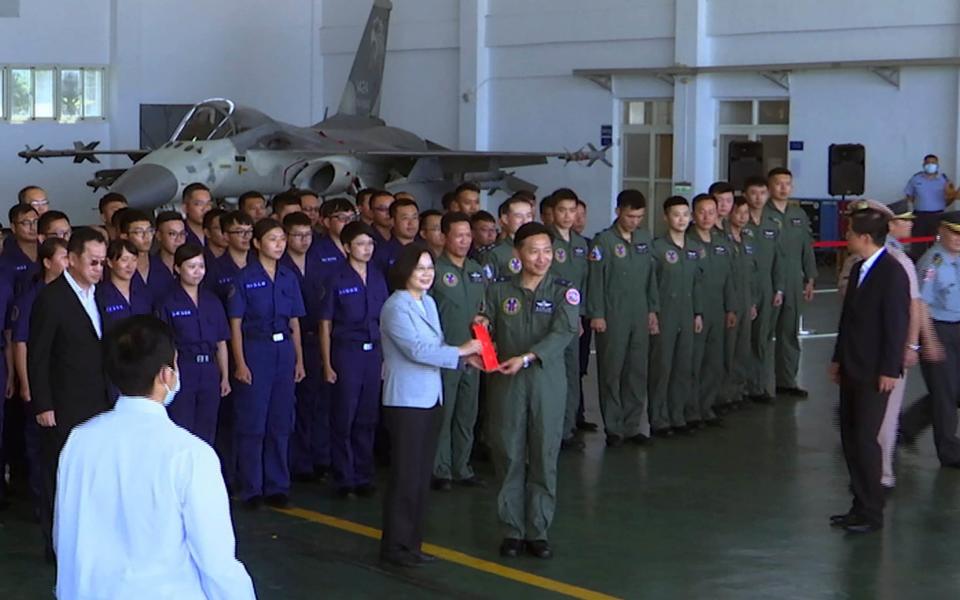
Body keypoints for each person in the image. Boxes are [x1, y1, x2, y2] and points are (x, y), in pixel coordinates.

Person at [54, 315, 255, 599]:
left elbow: (64, 534)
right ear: (165, 375)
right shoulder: (191, 455)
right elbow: (217, 564)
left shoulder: (79, 441)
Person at [379, 243, 483, 568]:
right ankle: (396, 547)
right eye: (419, 268)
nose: (426, 274)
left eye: (429, 268)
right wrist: (463, 350)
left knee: (420, 476)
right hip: (406, 401)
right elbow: (418, 351)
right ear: (405, 271)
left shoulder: (427, 302)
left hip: (429, 398)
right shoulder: (396, 307)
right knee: (406, 476)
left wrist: (465, 360)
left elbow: (436, 347)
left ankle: (412, 544)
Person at [481, 222, 578, 559]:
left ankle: (538, 530)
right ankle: (512, 529)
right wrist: (482, 349)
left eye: (547, 251)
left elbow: (563, 332)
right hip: (506, 383)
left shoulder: (563, 291)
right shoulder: (498, 291)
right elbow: (483, 326)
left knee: (543, 455)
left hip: (545, 383)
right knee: (508, 454)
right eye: (534, 250)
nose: (542, 258)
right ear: (518, 254)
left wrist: (526, 357)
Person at [27, 228, 109, 561]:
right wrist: (43, 404)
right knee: (58, 475)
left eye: (102, 263)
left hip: (98, 401)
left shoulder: (99, 294)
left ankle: (91, 539)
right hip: (63, 404)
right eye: (93, 262)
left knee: (94, 475)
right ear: (71, 259)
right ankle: (55, 544)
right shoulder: (52, 297)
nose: (99, 269)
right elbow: (38, 355)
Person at [828, 207, 909, 534]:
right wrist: (837, 359)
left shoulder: (893, 272)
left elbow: (896, 325)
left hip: (876, 371)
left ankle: (872, 512)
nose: (845, 237)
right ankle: (858, 505)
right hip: (851, 366)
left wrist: (891, 369)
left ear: (864, 237)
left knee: (865, 440)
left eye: (849, 232)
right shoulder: (860, 267)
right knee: (850, 437)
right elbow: (847, 321)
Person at [227, 219, 306, 509]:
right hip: (255, 348)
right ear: (258, 243)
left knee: (281, 421)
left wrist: (299, 359)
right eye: (272, 239)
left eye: (282, 239)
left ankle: (277, 485)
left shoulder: (288, 276)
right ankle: (251, 488)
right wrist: (240, 363)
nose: (279, 244)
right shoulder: (244, 278)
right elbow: (235, 324)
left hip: (283, 350)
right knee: (253, 423)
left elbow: (295, 321)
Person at [319, 221, 389, 498]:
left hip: (374, 352)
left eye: (370, 244)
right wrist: (327, 364)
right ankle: (344, 476)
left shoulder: (378, 275)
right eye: (360, 244)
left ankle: (363, 474)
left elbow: (385, 319)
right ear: (347, 247)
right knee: (344, 417)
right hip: (346, 352)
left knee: (367, 417)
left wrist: (385, 357)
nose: (367, 249)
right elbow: (325, 324)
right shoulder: (335, 278)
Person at [587, 190, 658, 446]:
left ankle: (632, 425)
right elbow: (595, 281)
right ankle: (614, 427)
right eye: (630, 216)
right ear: (618, 211)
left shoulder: (644, 238)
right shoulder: (603, 242)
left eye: (639, 217)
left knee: (637, 371)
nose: (634, 222)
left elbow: (651, 278)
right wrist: (597, 313)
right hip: (612, 314)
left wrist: (652, 310)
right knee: (612, 371)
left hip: (639, 313)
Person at [430, 213, 487, 489]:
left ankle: (461, 467)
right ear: (444, 237)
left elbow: (484, 307)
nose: (465, 241)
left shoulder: (477, 270)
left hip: (474, 355)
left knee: (467, 412)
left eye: (468, 235)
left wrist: (485, 320)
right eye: (458, 235)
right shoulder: (434, 271)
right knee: (444, 414)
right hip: (446, 354)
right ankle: (440, 470)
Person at [899, 211, 960, 468]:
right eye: (953, 232)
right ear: (941, 231)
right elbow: (920, 305)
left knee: (952, 391)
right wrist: (929, 340)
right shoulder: (932, 262)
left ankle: (905, 427)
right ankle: (949, 451)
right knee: (946, 394)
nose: (958, 238)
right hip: (938, 329)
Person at [156, 244, 231, 445]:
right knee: (182, 427)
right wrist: (173, 377)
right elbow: (166, 345)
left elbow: (221, 341)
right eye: (191, 266)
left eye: (201, 266)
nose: (197, 272)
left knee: (207, 428)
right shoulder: (168, 302)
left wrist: (224, 376)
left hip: (209, 369)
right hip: (184, 369)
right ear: (178, 268)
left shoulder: (212, 301)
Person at [649, 196, 703, 436]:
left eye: (685, 214)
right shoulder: (657, 248)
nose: (681, 219)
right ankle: (658, 418)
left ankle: (678, 414)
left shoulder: (694, 248)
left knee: (683, 366)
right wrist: (652, 313)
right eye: (676, 214)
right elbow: (650, 284)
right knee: (662, 367)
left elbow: (698, 284)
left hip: (688, 313)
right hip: (665, 314)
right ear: (666, 217)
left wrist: (698, 313)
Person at [281, 212, 328, 481]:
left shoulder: (319, 262)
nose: (303, 240)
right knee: (294, 404)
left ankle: (318, 457)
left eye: (308, 235)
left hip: (318, 337)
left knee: (318, 402)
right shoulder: (281, 266)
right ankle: (298, 461)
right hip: (291, 341)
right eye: (297, 235)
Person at [765, 167, 816, 398]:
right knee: (763, 334)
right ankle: (758, 384)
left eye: (787, 183)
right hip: (768, 282)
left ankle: (787, 381)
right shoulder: (761, 214)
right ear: (769, 187)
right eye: (778, 183)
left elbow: (807, 247)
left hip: (794, 280)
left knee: (789, 332)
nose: (783, 188)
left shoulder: (798, 215)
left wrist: (810, 277)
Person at [687, 193, 735, 424]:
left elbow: (729, 278)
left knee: (714, 362)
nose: (706, 217)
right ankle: (690, 410)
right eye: (701, 212)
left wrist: (731, 308)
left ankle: (707, 407)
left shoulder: (722, 242)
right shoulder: (687, 242)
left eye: (711, 212)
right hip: (695, 310)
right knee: (693, 363)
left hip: (718, 310)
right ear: (693, 215)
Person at [547, 189, 589, 449]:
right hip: (550, 317)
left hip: (573, 320)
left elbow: (583, 283)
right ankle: (551, 431)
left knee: (572, 374)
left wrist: (582, 316)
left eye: (571, 211)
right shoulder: (546, 242)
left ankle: (567, 428)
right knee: (552, 377)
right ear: (552, 212)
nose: (567, 215)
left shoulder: (581, 244)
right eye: (562, 210)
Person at [742, 176, 784, 404]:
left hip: (767, 288)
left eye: (762, 193)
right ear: (746, 195)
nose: (758, 198)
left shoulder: (773, 223)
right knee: (742, 339)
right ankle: (741, 387)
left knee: (763, 339)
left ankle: (759, 386)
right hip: (745, 288)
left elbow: (779, 259)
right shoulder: (739, 222)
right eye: (753, 193)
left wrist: (779, 288)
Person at [721, 196, 759, 411]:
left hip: (746, 300)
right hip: (730, 302)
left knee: (742, 349)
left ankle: (737, 391)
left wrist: (753, 301)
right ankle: (723, 394)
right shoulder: (723, 240)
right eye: (738, 213)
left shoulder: (747, 239)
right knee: (727, 349)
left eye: (746, 213)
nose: (743, 217)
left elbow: (752, 274)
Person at [904, 154, 958, 259]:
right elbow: (909, 196)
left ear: (937, 165)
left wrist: (943, 206)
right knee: (917, 244)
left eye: (933, 163)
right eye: (928, 163)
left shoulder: (944, 180)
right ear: (923, 164)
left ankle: (934, 266)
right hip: (919, 216)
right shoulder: (915, 179)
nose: (930, 165)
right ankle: (917, 265)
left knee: (936, 243)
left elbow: (951, 197)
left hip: (937, 216)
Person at [96, 239, 152, 333]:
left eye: (134, 260)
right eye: (124, 260)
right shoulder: (99, 295)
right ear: (109, 262)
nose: (130, 266)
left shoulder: (144, 293)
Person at [482, 195, 534, 281]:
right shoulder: (495, 253)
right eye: (519, 216)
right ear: (505, 219)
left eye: (528, 216)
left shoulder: (542, 249)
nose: (525, 221)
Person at [210, 211, 254, 304]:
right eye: (240, 232)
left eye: (249, 231)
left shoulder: (260, 262)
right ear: (226, 236)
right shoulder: (214, 268)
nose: (246, 237)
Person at [1, 204, 39, 295]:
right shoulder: (6, 257)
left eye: (36, 222)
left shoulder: (47, 250)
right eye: (26, 223)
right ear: (13, 227)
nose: (33, 227)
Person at [150, 211, 188, 303]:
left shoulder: (193, 266)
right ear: (158, 236)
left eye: (182, 234)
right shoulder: (149, 268)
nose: (179, 239)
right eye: (172, 234)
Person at [375, 197, 419, 273]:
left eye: (414, 218)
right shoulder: (382, 253)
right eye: (405, 218)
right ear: (392, 222)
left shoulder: (424, 247)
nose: (411, 223)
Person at [182, 182, 213, 248]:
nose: (206, 209)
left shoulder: (216, 232)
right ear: (185, 208)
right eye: (199, 204)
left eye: (209, 204)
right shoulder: (179, 233)